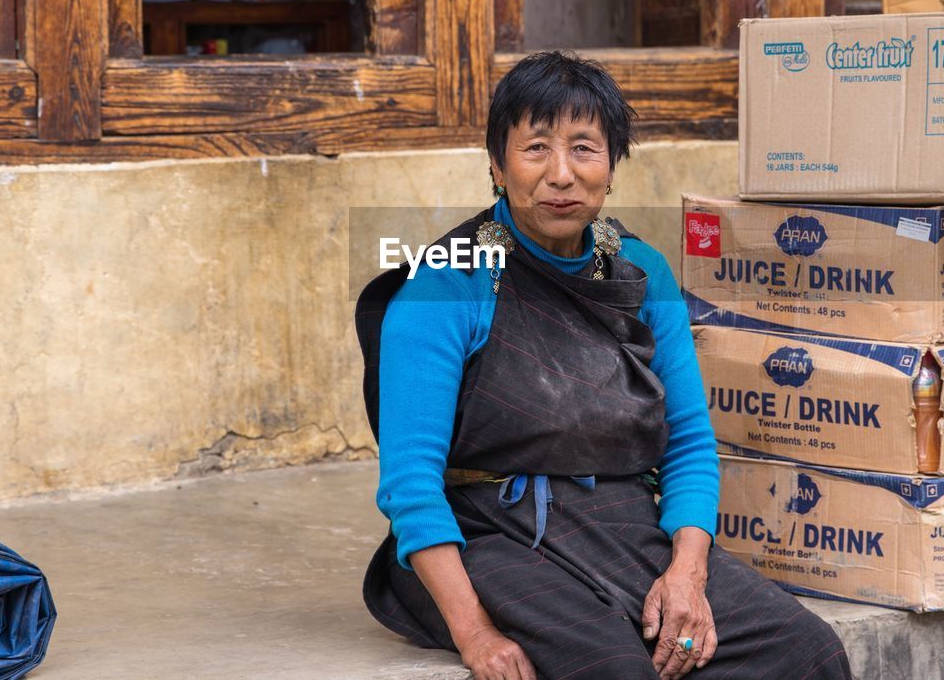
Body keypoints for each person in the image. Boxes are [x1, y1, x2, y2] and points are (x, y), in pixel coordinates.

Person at [356, 51, 852, 680]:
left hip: (618, 516)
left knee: (807, 651)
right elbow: (411, 486)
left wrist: (687, 575)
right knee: (614, 669)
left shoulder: (643, 273)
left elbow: (691, 444)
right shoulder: (446, 286)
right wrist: (475, 632)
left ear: (611, 166)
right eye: (535, 148)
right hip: (485, 531)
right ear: (497, 166)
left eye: (584, 148)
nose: (560, 174)